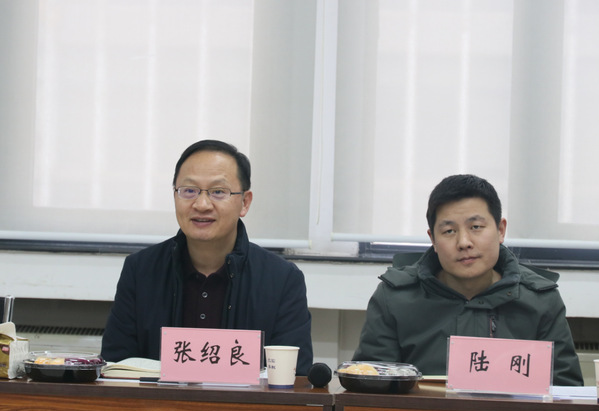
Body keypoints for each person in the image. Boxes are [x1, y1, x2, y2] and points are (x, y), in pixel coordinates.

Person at [101, 139, 313, 375]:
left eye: (218, 192)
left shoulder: (282, 279)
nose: (201, 204)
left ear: (244, 202)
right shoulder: (140, 271)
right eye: (189, 191)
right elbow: (116, 369)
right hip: (159, 401)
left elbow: (295, 377)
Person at [352, 174, 583, 386]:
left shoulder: (541, 300)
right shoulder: (395, 298)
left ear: (501, 230)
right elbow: (370, 387)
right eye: (449, 231)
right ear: (432, 239)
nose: (464, 242)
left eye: (476, 227)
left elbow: (566, 393)